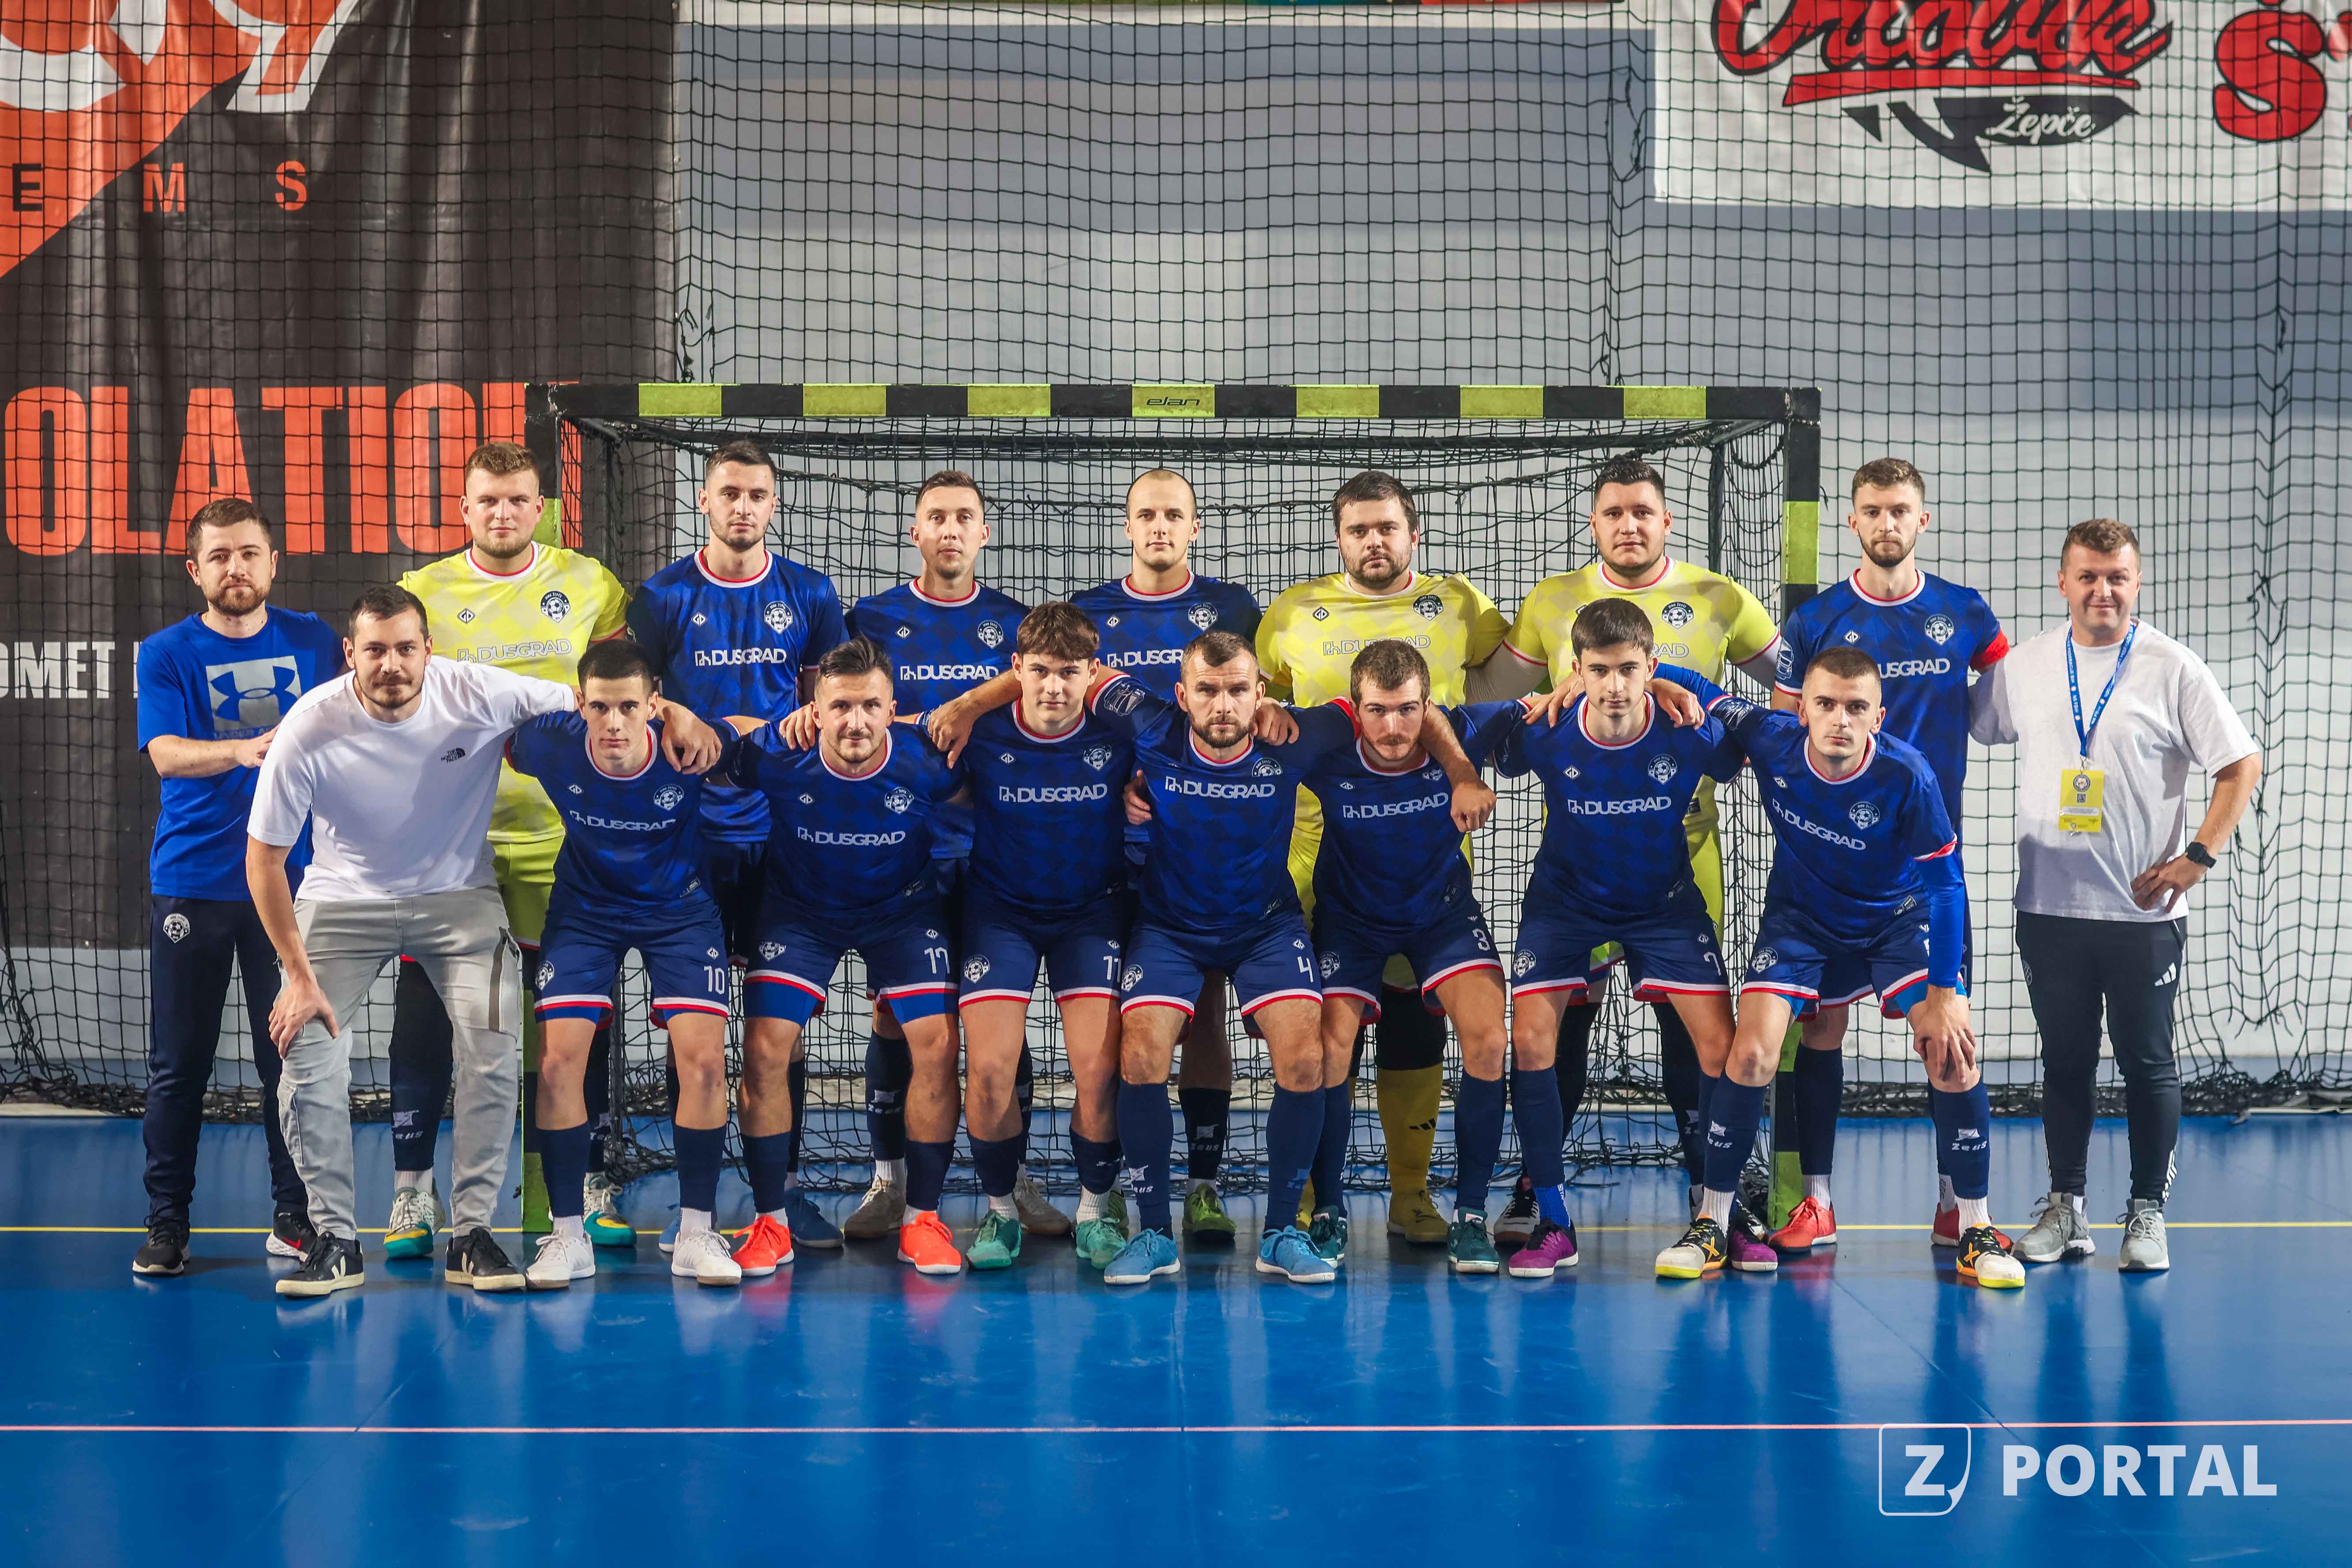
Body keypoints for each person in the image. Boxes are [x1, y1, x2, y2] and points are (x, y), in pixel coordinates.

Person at [246, 586, 723, 1298]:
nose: (391, 664)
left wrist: (674, 710)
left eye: (405, 648)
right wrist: (297, 975)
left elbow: (591, 702)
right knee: (308, 1051)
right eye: (374, 650)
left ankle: (472, 1232)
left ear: (429, 650)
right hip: (342, 903)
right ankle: (335, 1239)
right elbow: (263, 858)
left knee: (496, 1048)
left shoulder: (477, 691)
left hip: (459, 900)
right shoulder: (309, 727)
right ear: (350, 654)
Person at [1083, 631, 1489, 1287]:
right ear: (1182, 695)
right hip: (1169, 927)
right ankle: (1154, 1232)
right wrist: (963, 709)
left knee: (1307, 1058)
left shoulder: (1298, 736)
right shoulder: (1150, 726)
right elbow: (1074, 669)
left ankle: (1280, 1233)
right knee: (1141, 1056)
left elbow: (1411, 709)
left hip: (1266, 927)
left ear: (1261, 692)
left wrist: (1464, 773)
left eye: (1238, 690)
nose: (1223, 705)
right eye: (1208, 691)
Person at [1470, 454, 1782, 1245]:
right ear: (1594, 522)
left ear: (1666, 519)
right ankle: (1538, 1191)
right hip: (1577, 858)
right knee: (1561, 1029)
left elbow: (1794, 687)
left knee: (1693, 1035)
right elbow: (1485, 699)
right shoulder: (1551, 601)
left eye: (1643, 511)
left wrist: (1687, 688)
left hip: (1681, 857)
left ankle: (1712, 1191)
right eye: (1613, 512)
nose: (1629, 525)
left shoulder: (1718, 595)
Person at [1662, 651, 2026, 1289]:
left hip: (1895, 920)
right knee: (1751, 1055)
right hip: (1801, 921)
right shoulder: (1769, 736)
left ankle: (1973, 1227)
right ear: (1801, 708)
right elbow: (1695, 683)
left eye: (1856, 707)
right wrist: (1640, 676)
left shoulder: (1907, 774)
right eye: (1825, 704)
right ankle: (1713, 1223)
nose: (1839, 719)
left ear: (1877, 717)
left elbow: (1947, 887)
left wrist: (1945, 992)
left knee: (1952, 1049)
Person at [1970, 518, 2260, 1274]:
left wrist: (2198, 856)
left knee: (2147, 1063)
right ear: (2063, 583)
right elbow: (1963, 722)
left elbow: (2240, 764)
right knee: (2065, 1063)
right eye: (2089, 576)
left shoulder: (2173, 667)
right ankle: (2066, 1209)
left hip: (2142, 914)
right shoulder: (2026, 666)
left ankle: (2146, 1212)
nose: (2103, 590)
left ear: (2136, 583)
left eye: (2117, 577)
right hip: (2049, 910)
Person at [386, 442, 630, 1258]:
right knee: (428, 1011)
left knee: (582, 1011)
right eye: (487, 500)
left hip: (567, 837)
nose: (502, 513)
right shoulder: (422, 593)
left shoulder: (590, 583)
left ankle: (593, 1176)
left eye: (518, 499)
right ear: (464, 508)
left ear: (540, 507)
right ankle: (412, 1192)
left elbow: (619, 694)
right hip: (457, 841)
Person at [1254, 470, 1509, 1245]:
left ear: (1413, 534)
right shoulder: (1292, 612)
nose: (1374, 541)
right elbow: (1256, 712)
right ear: (1339, 539)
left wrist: (1462, 770)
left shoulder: (1460, 604)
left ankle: (1416, 1197)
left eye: (1387, 527)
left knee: (1415, 1023)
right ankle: (1317, 1200)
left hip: (1430, 862)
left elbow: (1518, 689)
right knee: (1323, 1040)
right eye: (1359, 529)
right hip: (1319, 859)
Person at [1768, 458, 2011, 1254]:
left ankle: (1958, 1210)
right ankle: (1818, 1201)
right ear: (1853, 521)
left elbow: (2009, 701)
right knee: (1821, 1030)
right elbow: (1782, 733)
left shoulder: (1964, 612)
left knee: (1947, 1034)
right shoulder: (1815, 620)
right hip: (1829, 870)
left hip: (1923, 872)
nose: (1886, 523)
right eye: (1872, 510)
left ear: (1922, 519)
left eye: (1900, 509)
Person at [1491, 601, 1765, 1279]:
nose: (1615, 685)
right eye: (1599, 670)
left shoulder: (1689, 729)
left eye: (1630, 670)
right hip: (1565, 904)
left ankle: (1719, 1212)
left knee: (1722, 1048)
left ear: (1651, 667)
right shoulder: (1547, 728)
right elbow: (1479, 738)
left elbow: (1754, 738)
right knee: (1530, 1043)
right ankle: (1553, 1218)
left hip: (1662, 905)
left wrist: (1680, 685)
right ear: (1576, 670)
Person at [627, 439, 848, 1249]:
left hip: (777, 839)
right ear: (705, 501)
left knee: (776, 1026)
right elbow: (626, 698)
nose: (743, 507)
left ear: (774, 505)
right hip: (685, 842)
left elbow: (830, 708)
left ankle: (779, 1197)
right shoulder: (662, 597)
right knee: (694, 1029)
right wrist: (674, 711)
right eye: (730, 493)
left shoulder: (810, 594)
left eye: (757, 494)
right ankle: (695, 1203)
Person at [837, 473, 1056, 1241]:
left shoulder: (1015, 624)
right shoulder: (873, 619)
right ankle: (888, 1180)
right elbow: (850, 718)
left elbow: (1039, 705)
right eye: (937, 517)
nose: (952, 529)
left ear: (985, 533)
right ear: (916, 532)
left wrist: (970, 706)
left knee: (1002, 1019)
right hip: (905, 849)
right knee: (896, 1016)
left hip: (998, 847)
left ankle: (1015, 1179)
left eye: (965, 517)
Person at [131, 499, 342, 1278]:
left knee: (287, 1060)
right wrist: (247, 750)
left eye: (249, 553)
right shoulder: (167, 652)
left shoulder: (313, 641)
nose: (236, 568)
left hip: (287, 887)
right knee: (178, 1066)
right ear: (196, 570)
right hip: (193, 881)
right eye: (219, 556)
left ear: (272, 562)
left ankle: (294, 1217)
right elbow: (165, 754)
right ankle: (167, 1222)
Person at [718, 638, 969, 1275]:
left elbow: (991, 775)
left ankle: (923, 1220)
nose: (856, 721)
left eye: (870, 706)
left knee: (938, 1043)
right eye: (840, 707)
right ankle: (771, 1223)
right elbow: (705, 748)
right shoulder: (778, 753)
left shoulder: (927, 759)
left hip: (902, 913)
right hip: (801, 914)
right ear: (815, 708)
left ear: (893, 710)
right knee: (765, 1047)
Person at [502, 640, 744, 1288]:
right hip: (585, 910)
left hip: (681, 910)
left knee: (704, 1063)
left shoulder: (685, 744)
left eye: (629, 707)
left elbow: (752, 732)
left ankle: (697, 1233)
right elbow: (493, 730)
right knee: (557, 1063)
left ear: (653, 704)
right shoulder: (548, 742)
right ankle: (567, 1236)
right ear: (579, 704)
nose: (614, 722)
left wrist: (696, 718)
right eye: (600, 707)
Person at [1066, 470, 1260, 1237]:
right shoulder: (1089, 612)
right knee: (1118, 1030)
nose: (1159, 526)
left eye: (1173, 514)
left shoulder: (1235, 608)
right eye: (1146, 514)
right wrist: (1116, 786)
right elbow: (1067, 714)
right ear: (1126, 526)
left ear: (1194, 527)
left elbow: (1253, 706)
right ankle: (1110, 1187)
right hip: (1106, 844)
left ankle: (1203, 1184)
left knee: (1206, 1012)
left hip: (1199, 845)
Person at [1296, 641, 1517, 1275]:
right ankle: (1329, 1207)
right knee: (1330, 1048)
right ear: (1354, 709)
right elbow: (1236, 737)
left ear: (1430, 707)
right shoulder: (1327, 747)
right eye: (1377, 711)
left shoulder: (1464, 732)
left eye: (1408, 710)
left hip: (1440, 917)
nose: (1393, 727)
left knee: (1489, 1040)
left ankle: (1470, 1215)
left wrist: (1666, 685)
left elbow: (1565, 698)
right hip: (1350, 921)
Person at [930, 604, 1135, 1269]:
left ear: (1093, 673)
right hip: (1001, 916)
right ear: (1016, 669)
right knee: (990, 1069)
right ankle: (999, 1212)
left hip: (1092, 915)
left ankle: (1095, 1208)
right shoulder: (981, 733)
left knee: (1098, 1069)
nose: (1053, 686)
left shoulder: (1123, 733)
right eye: (1041, 670)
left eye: (1069, 672)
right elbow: (901, 744)